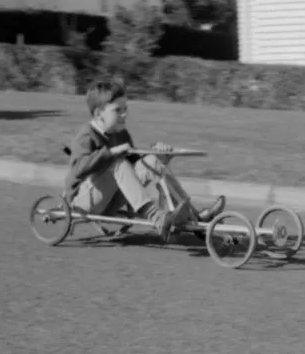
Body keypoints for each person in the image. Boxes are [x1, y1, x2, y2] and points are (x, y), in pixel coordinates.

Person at [64, 78, 226, 242]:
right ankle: (156, 217)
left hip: (112, 199)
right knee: (118, 163)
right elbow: (78, 168)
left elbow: (135, 166)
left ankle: (195, 217)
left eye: (125, 109)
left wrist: (157, 155)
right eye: (117, 110)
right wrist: (111, 153)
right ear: (99, 113)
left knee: (152, 161)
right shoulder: (86, 135)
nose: (124, 114)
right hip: (84, 201)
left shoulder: (121, 133)